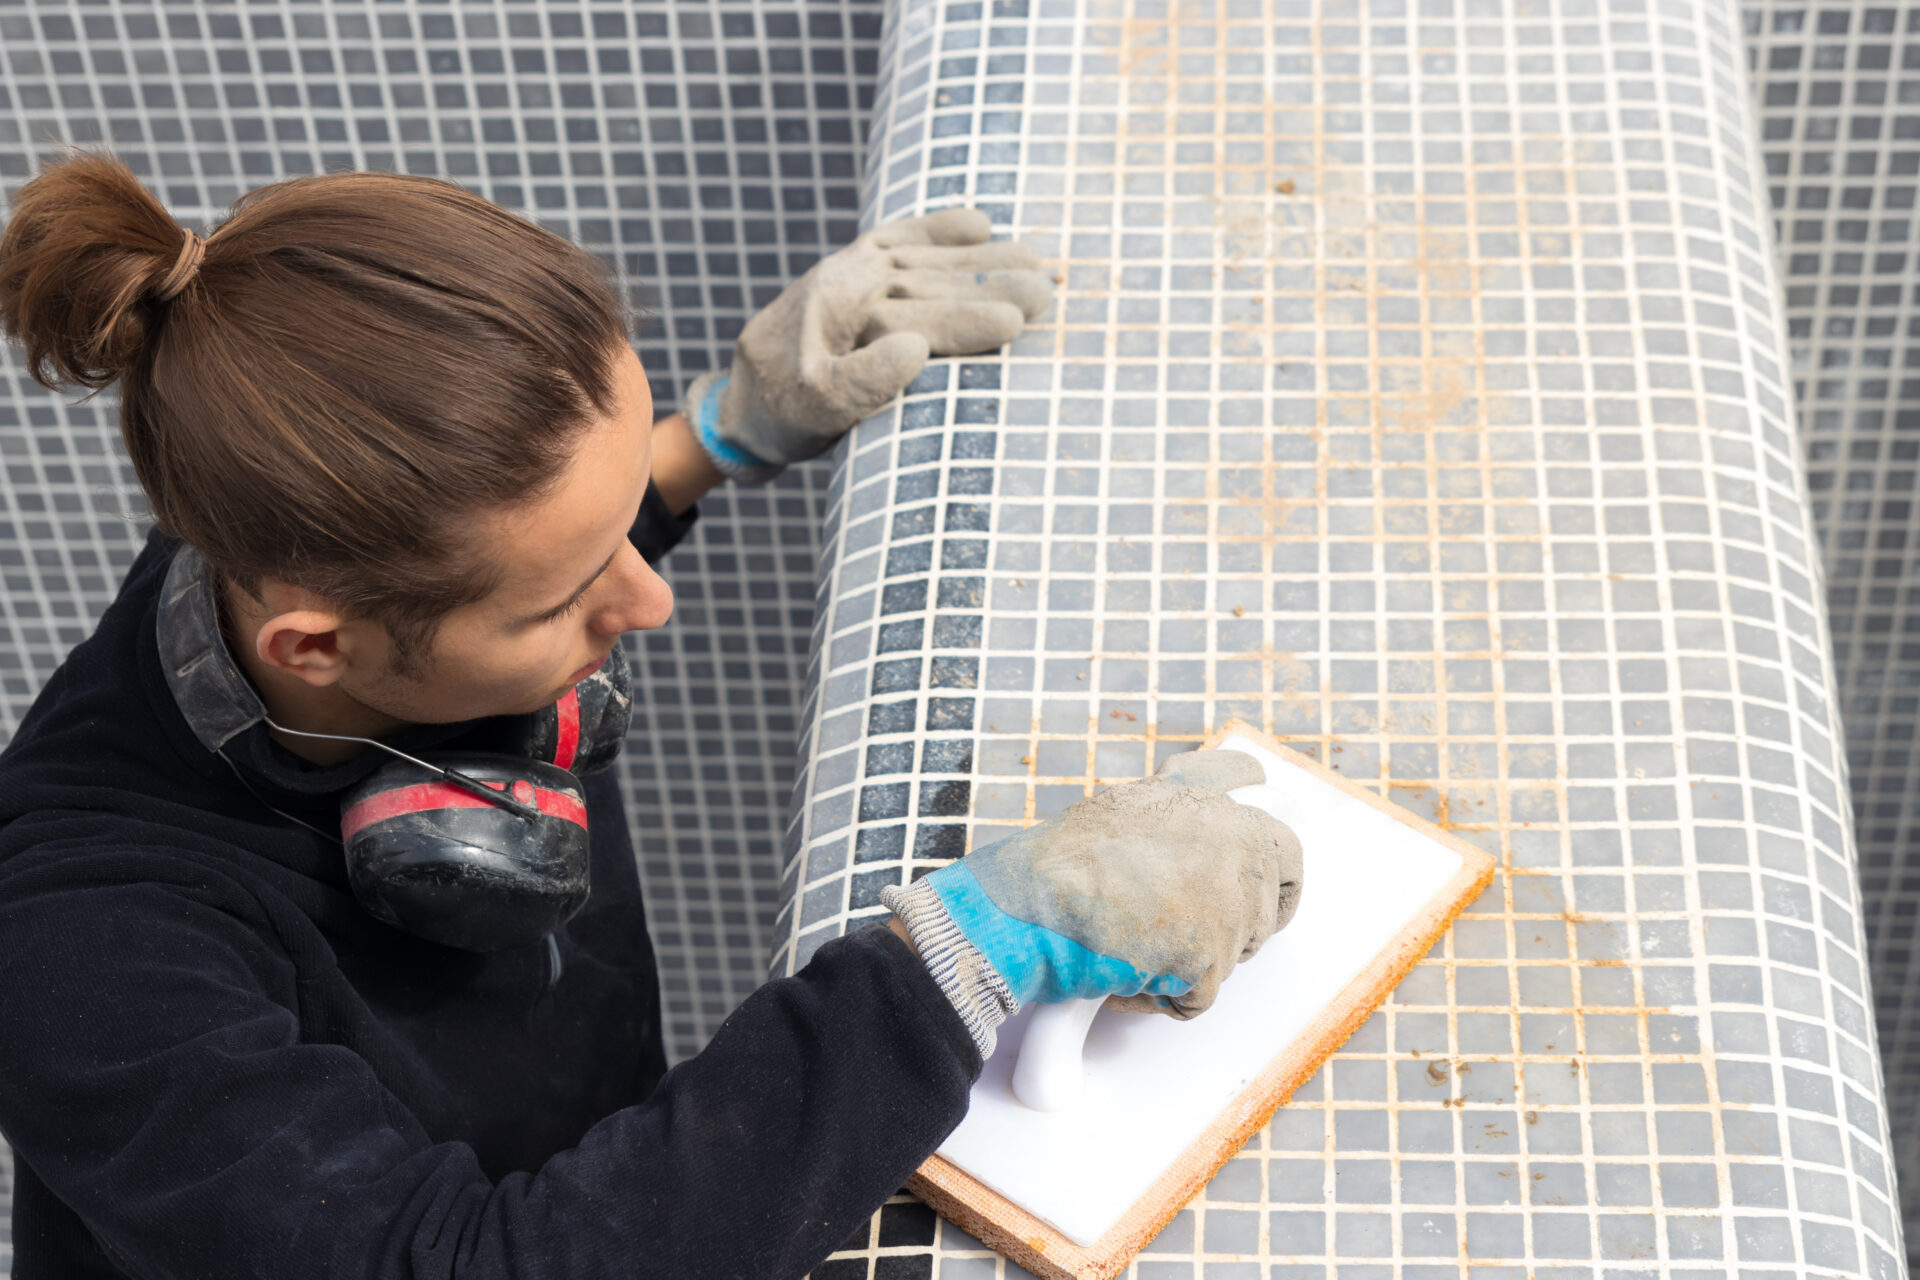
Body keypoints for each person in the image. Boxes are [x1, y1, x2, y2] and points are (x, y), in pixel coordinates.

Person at [0, 151, 1304, 1278]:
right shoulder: (91, 958)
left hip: (573, 1132)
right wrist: (958, 965)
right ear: (318, 648)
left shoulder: (288, 526)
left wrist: (711, 440)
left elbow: (500, 559)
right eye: (573, 589)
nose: (648, 600)